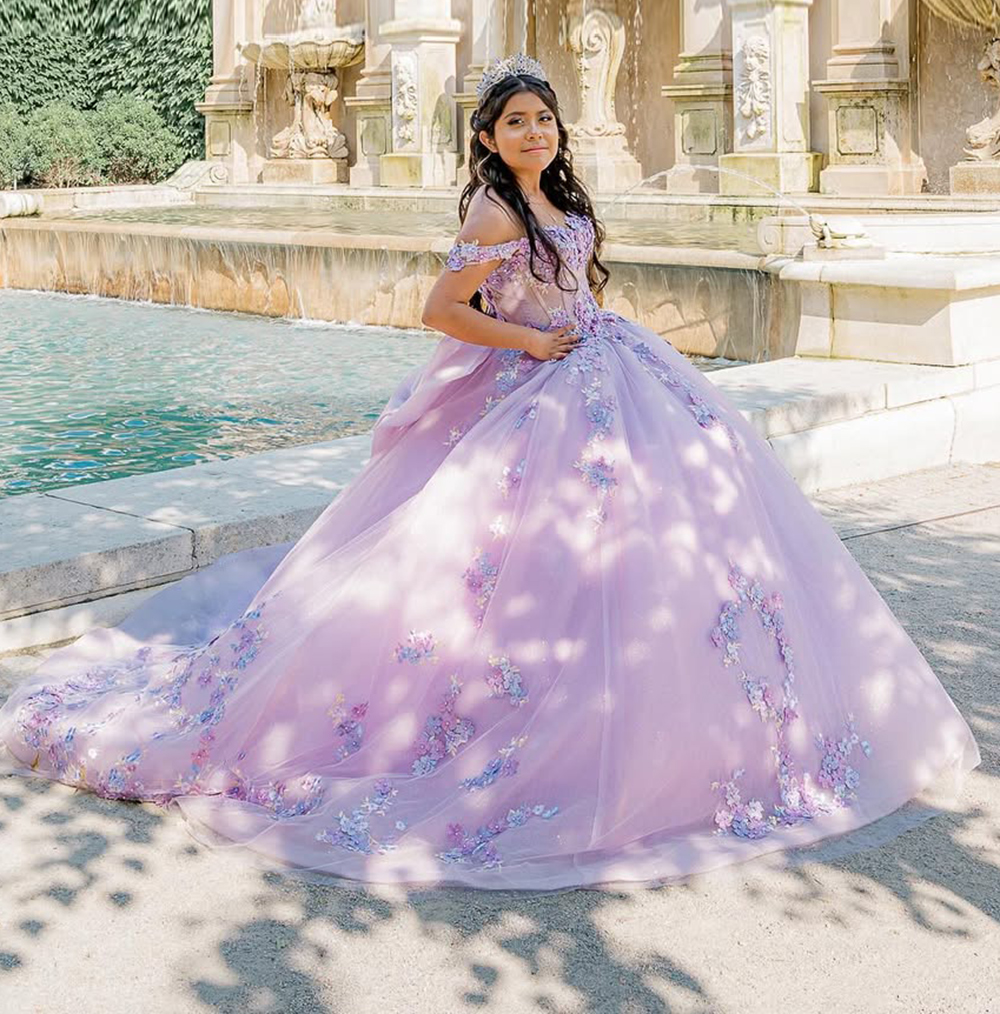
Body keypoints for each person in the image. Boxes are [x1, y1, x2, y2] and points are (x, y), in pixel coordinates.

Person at [0, 55, 980, 890]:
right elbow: (442, 308)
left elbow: (567, 280)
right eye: (516, 121)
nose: (534, 132)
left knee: (660, 543)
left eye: (543, 119)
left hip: (606, 365)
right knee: (498, 564)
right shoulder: (494, 207)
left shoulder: (558, 193)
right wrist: (530, 343)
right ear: (487, 137)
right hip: (542, 382)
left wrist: (570, 329)